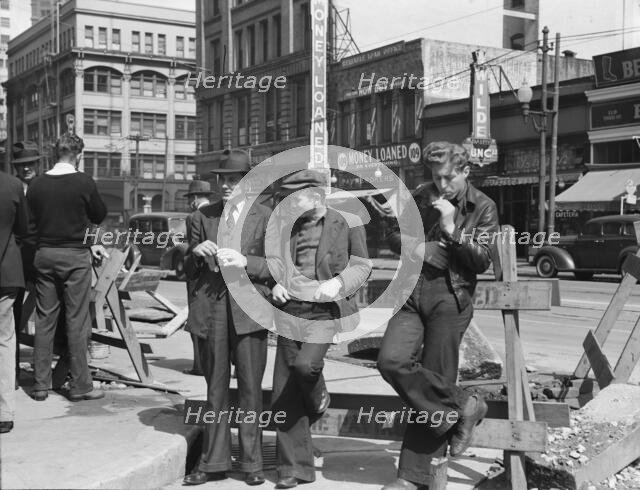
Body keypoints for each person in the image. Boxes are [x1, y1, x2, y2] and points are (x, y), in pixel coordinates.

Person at [377, 141, 500, 490]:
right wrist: (417, 247)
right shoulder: (420, 195)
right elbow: (390, 234)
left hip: (451, 296)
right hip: (412, 292)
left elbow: (481, 260)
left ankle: (412, 478)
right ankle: (465, 403)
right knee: (391, 361)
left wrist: (451, 229)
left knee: (431, 379)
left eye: (448, 177)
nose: (442, 185)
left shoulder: (484, 206)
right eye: (436, 176)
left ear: (465, 171)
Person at [267, 169, 372, 489]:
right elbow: (274, 260)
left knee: (306, 365)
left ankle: (318, 396)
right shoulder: (288, 224)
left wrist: (339, 284)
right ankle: (293, 467)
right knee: (284, 392)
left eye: (297, 198)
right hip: (291, 309)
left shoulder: (347, 220)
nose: (292, 204)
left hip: (326, 310)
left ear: (316, 195)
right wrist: (275, 283)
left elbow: (362, 265)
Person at [182, 149, 273, 487]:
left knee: (251, 390)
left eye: (234, 179)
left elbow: (277, 267)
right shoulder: (201, 218)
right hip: (213, 312)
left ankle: (252, 464)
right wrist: (194, 253)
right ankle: (214, 461)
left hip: (250, 312)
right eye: (222, 179)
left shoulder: (265, 217)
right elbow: (187, 271)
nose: (226, 185)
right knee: (215, 389)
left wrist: (248, 262)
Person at [27, 133, 109, 402]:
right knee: (77, 320)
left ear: (54, 153)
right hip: (74, 257)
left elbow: (29, 225)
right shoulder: (83, 181)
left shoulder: (37, 184)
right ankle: (80, 386)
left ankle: (40, 386)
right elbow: (99, 214)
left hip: (44, 255)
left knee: (44, 320)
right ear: (78, 155)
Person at [0, 169, 29, 434]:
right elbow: (23, 227)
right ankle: (5, 411)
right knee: (5, 340)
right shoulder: (13, 185)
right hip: (7, 271)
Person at [10, 142, 41, 387]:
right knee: (14, 315)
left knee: (50, 313)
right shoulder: (12, 188)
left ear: (37, 165)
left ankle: (46, 372)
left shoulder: (44, 187)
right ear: (15, 169)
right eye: (22, 166)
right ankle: (13, 372)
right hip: (18, 259)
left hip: (42, 258)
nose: (26, 169)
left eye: (30, 164)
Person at [182, 179, 215, 376]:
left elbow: (192, 248)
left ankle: (199, 365)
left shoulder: (194, 216)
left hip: (197, 275)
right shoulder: (218, 214)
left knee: (197, 320)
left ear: (194, 199)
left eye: (189, 199)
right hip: (215, 275)